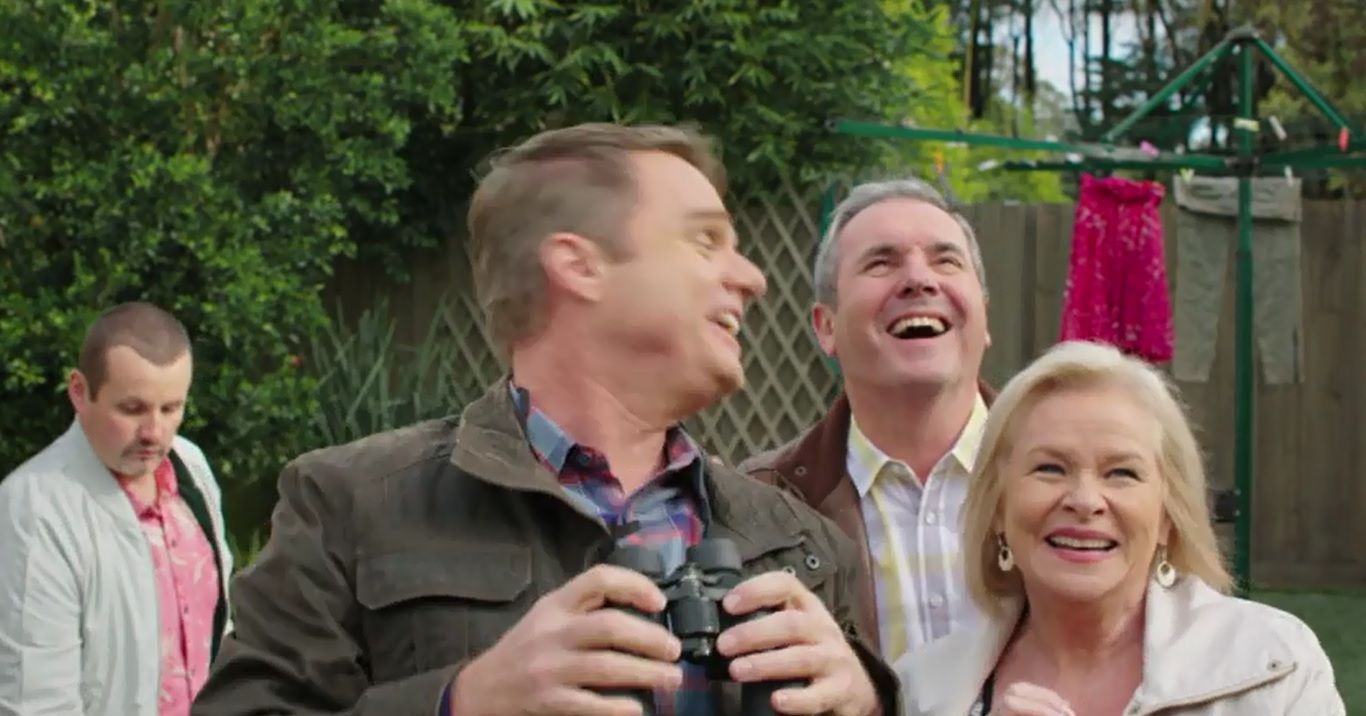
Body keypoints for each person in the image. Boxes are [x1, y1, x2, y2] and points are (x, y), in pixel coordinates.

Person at [190, 122, 898, 716]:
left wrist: (867, 702)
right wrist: (461, 702)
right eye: (705, 240)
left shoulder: (801, 540)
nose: (752, 277)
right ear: (578, 265)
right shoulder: (349, 504)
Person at [897, 340, 1345, 716]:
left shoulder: (1274, 665)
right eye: (1050, 468)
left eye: (1122, 473)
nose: (1085, 500)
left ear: (1168, 516)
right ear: (998, 507)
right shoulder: (920, 692)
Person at [741, 178, 995, 661]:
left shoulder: (1078, 477)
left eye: (945, 260)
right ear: (827, 327)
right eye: (881, 262)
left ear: (983, 316)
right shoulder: (760, 505)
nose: (920, 280)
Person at [0, 301, 233, 716]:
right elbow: (36, 702)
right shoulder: (34, 510)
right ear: (79, 392)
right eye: (132, 409)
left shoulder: (192, 466)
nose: (154, 432)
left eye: (171, 408)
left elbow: (223, 628)